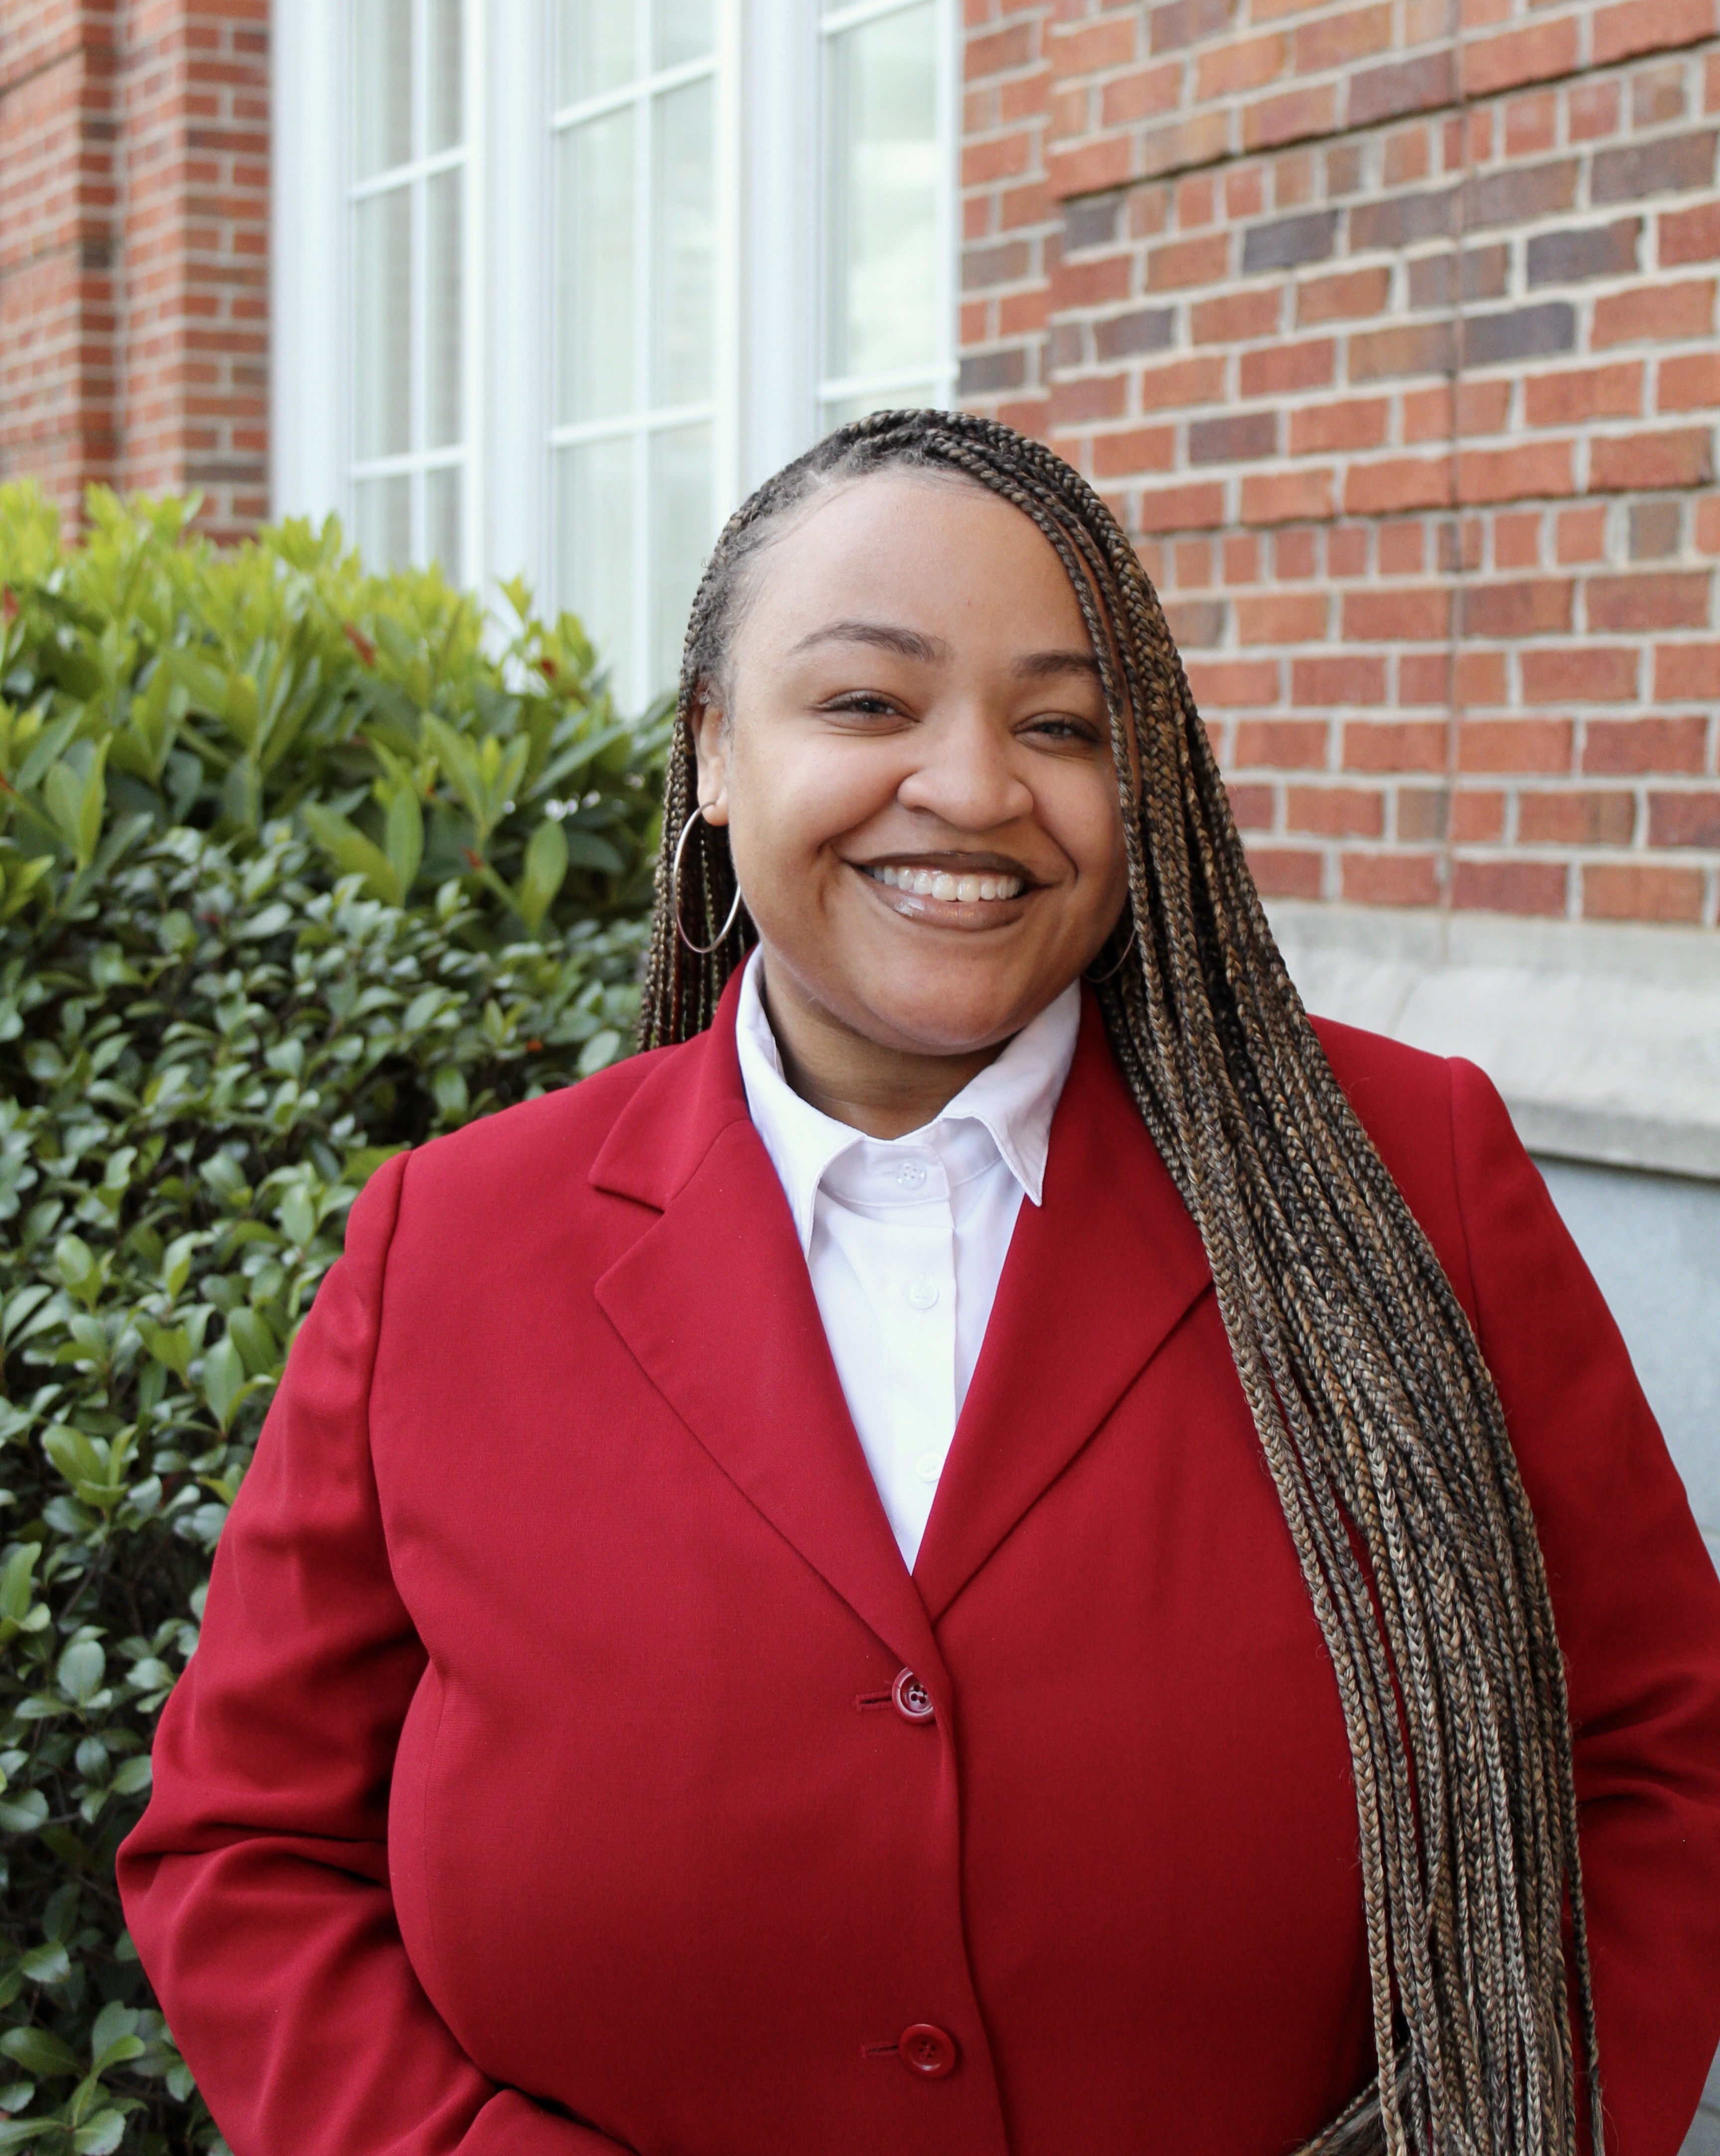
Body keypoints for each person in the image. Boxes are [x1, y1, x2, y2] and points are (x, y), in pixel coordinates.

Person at [119, 411, 1720, 2156]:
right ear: (714, 746)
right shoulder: (451, 1244)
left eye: (1062, 725)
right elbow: (245, 1846)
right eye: (870, 703)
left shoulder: (1406, 1176)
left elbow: (1661, 1756)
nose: (973, 787)